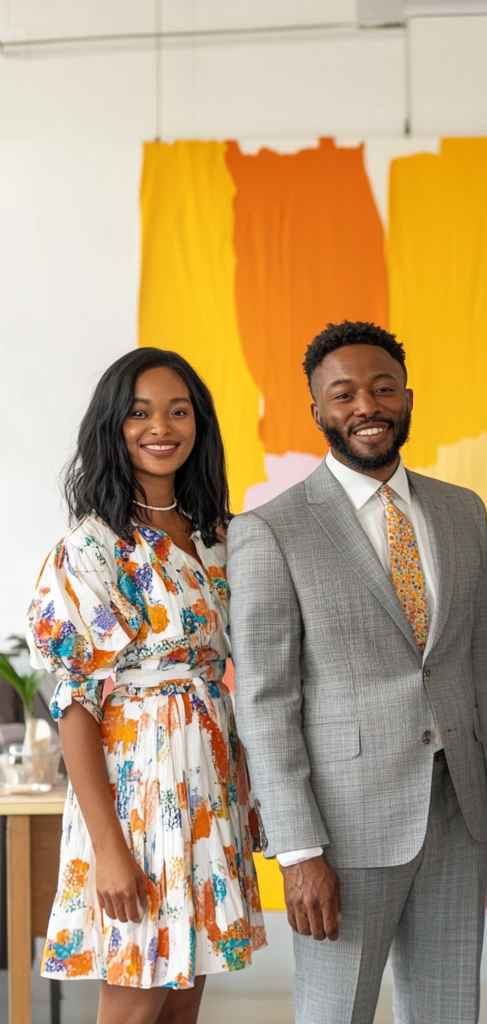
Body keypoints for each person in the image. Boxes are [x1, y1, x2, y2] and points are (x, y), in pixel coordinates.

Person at [228, 320, 487, 1024]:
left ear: (407, 398)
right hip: (344, 830)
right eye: (344, 394)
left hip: (459, 819)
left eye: (382, 387)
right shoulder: (271, 529)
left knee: (450, 1012)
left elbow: (486, 674)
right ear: (317, 412)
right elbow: (267, 704)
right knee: (337, 1013)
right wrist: (299, 853)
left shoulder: (461, 512)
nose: (367, 405)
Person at [27, 348, 265, 1024]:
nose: (161, 426)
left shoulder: (218, 537)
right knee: (133, 1009)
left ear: (199, 424)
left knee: (180, 1007)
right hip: (136, 805)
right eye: (139, 411)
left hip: (207, 796)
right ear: (113, 425)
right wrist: (108, 852)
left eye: (178, 410)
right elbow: (74, 702)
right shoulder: (94, 547)